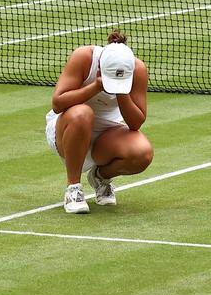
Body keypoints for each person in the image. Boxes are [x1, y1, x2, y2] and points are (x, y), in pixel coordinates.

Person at [46, 30, 153, 214]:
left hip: (108, 136)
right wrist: (95, 87)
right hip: (68, 130)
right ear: (100, 68)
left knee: (142, 154)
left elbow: (136, 123)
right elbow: (58, 103)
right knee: (83, 113)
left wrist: (121, 90)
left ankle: (100, 178)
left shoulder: (138, 70)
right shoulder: (83, 57)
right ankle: (73, 188)